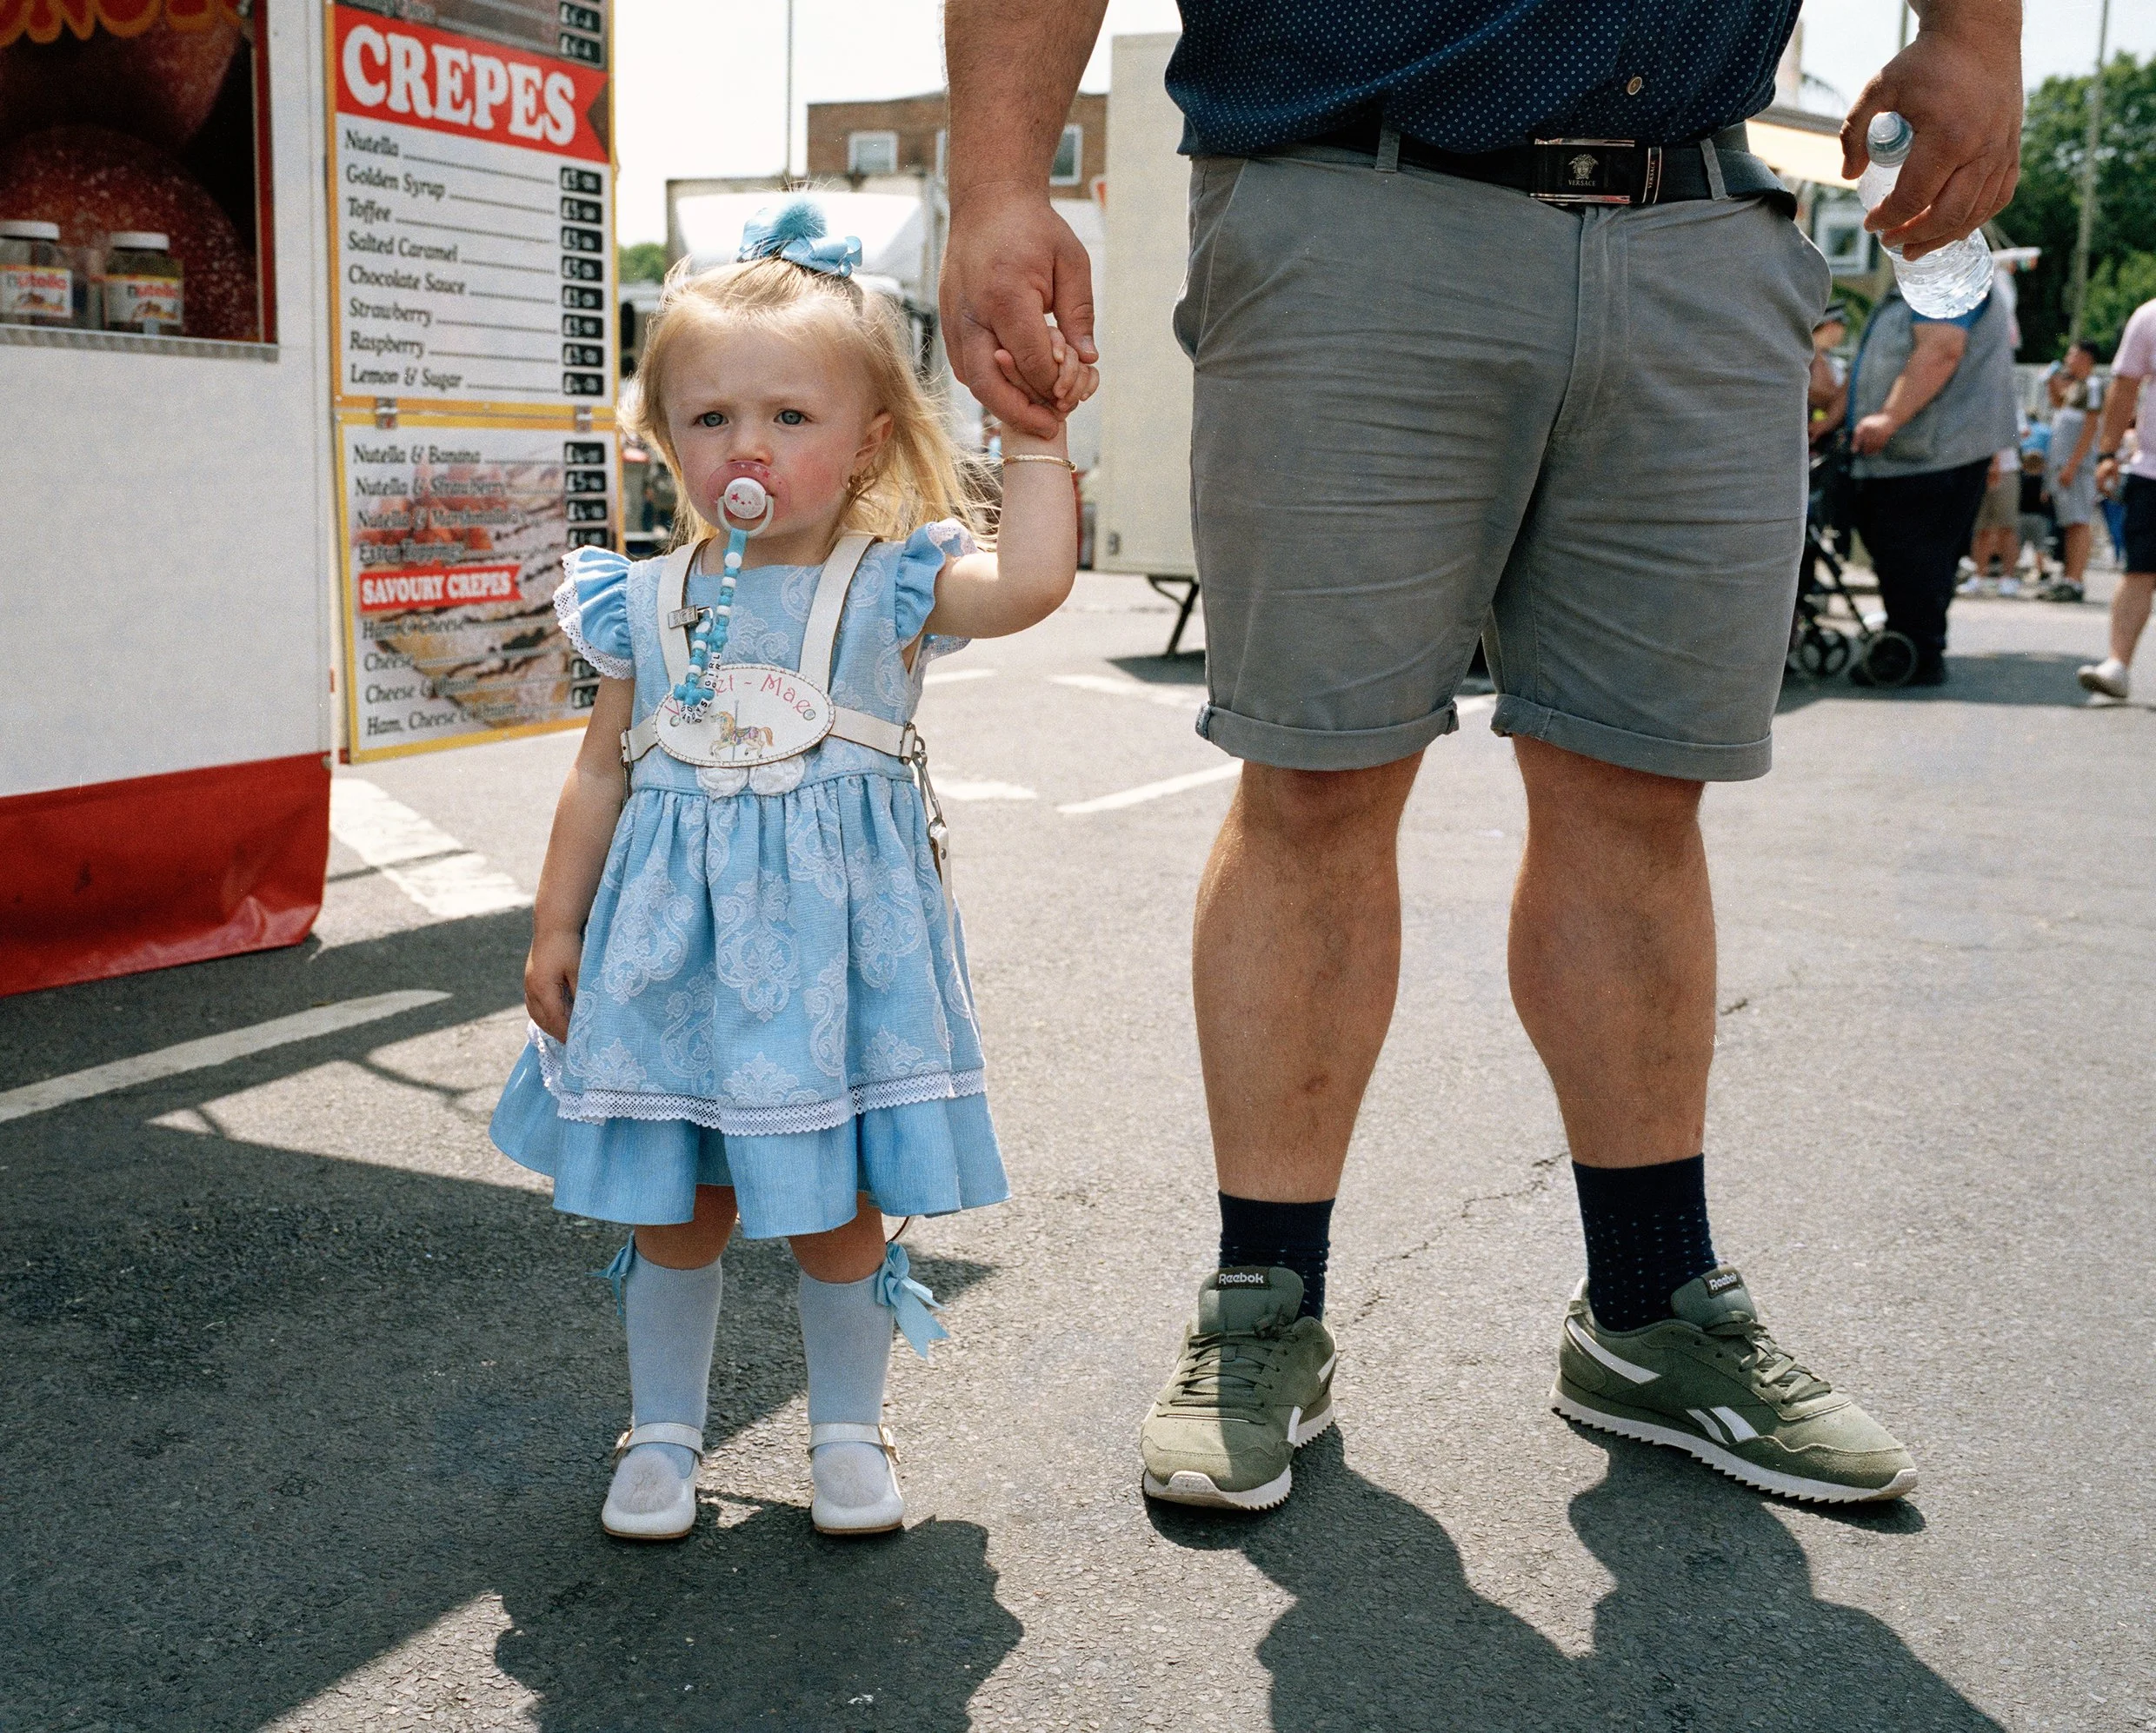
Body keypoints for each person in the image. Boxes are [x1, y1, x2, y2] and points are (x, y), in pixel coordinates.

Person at [943, 0, 2020, 1511]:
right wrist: (995, 179)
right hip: (1351, 187)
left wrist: (1978, 37)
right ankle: (1264, 1301)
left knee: (1641, 792)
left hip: (1698, 211)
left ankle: (1649, 1312)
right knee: (1313, 777)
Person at [490, 200, 1094, 1542]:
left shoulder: (898, 585)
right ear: (666, 438)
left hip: (833, 959)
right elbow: (601, 772)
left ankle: (844, 1431)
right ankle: (660, 1431)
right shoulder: (640, 600)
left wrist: (1038, 440)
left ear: (870, 438)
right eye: (709, 419)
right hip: (671, 959)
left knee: (841, 1209)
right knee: (682, 1203)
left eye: (789, 417)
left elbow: (1040, 581)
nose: (745, 447)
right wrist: (555, 920)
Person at [1847, 276, 2020, 684]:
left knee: (1914, 555)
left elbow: (1942, 350)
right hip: (1915, 454)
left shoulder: (1948, 275)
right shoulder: (1923, 278)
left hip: (1933, 452)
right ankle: (1910, 646)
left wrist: (1889, 417)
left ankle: (1915, 655)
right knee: (1903, 554)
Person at [2081, 297, 2156, 700]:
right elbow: (2125, 384)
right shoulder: (2150, 316)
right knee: (2140, 569)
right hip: (2153, 470)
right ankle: (2118, 665)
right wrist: (2109, 453)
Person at [2041, 355, 2101, 604]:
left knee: (2079, 522)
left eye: (2072, 355)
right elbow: (2058, 406)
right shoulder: (2076, 386)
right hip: (2063, 468)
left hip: (2076, 469)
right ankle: (2068, 578)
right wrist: (2050, 383)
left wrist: (2073, 465)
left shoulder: (2093, 385)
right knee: (2069, 524)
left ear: (2085, 358)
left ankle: (2075, 581)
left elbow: (2091, 426)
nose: (2068, 360)